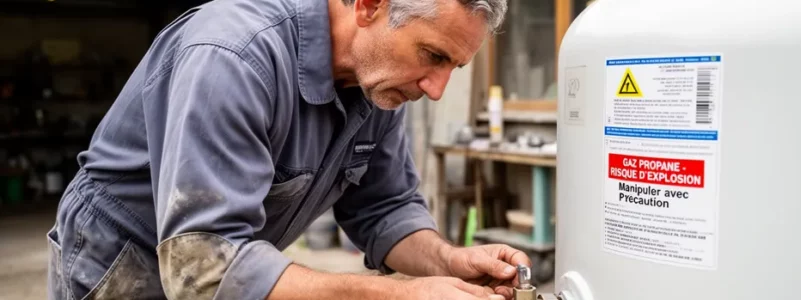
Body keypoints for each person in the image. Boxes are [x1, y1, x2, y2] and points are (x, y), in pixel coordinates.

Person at [46, 0, 526, 299]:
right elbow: (203, 266)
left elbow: (385, 208)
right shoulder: (233, 57)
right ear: (369, 5)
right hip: (123, 269)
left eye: (453, 68)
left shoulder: (379, 83)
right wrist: (403, 296)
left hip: (223, 266)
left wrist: (448, 263)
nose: (437, 88)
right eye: (433, 56)